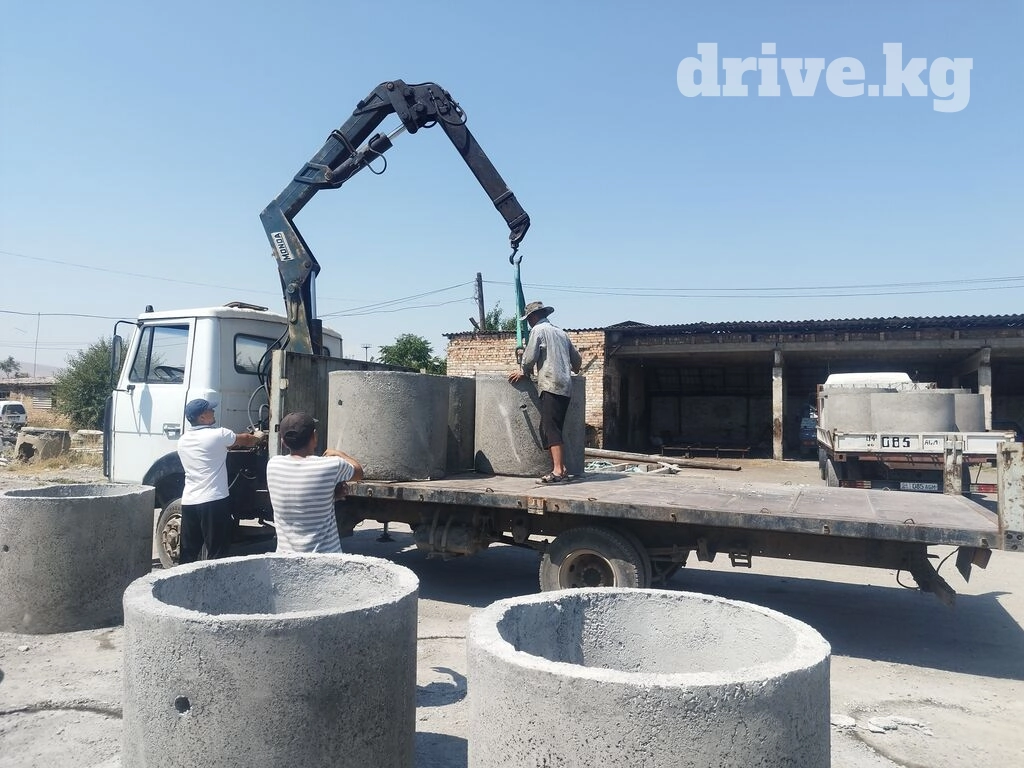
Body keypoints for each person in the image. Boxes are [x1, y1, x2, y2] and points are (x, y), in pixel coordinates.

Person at [176, 398, 266, 564]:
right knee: (217, 554)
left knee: (188, 553)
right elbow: (246, 439)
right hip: (213, 501)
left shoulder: (183, 440)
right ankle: (214, 581)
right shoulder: (218, 434)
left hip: (189, 502)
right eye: (210, 410)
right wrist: (258, 437)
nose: (213, 411)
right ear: (202, 417)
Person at [265, 411, 364, 553]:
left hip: (286, 559)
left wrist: (330, 496)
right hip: (324, 560)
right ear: (314, 436)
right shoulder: (331, 465)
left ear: (283, 442)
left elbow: (299, 499)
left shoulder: (273, 465)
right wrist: (339, 454)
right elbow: (359, 472)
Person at [508, 301, 582, 483]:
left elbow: (530, 357)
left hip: (550, 383)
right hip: (565, 386)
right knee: (552, 426)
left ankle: (557, 471)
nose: (529, 323)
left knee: (550, 428)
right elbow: (577, 360)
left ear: (534, 317)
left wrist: (524, 371)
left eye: (529, 319)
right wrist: (573, 368)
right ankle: (562, 468)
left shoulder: (538, 330)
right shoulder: (561, 333)